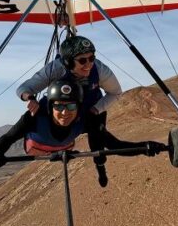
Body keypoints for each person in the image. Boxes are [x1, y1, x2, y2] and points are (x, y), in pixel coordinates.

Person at [0, 79, 165, 183]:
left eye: (71, 106)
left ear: (78, 107)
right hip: (36, 145)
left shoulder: (82, 120)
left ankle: (100, 167)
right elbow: (8, 137)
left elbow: (114, 145)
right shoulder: (34, 117)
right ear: (50, 107)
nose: (65, 113)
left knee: (98, 141)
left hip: (62, 147)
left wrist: (147, 147)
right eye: (59, 106)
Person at [16, 35, 122, 186]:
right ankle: (56, 150)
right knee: (56, 125)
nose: (89, 64)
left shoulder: (99, 69)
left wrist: (96, 109)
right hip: (68, 109)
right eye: (82, 60)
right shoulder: (55, 69)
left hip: (90, 107)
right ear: (68, 62)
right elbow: (24, 88)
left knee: (98, 138)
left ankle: (100, 165)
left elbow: (116, 92)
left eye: (91, 58)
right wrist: (30, 98)